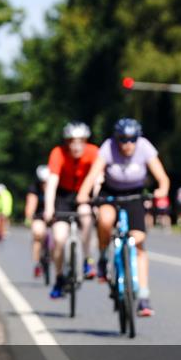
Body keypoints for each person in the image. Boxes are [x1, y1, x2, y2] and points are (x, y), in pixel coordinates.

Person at [75, 118, 170, 317]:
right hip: (110, 194)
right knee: (105, 220)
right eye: (123, 140)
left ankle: (143, 297)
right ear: (117, 139)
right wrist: (83, 195)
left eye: (132, 140)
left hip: (134, 195)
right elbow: (93, 175)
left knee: (138, 243)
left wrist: (161, 190)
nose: (128, 145)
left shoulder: (144, 147)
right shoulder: (108, 148)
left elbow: (163, 178)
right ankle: (102, 257)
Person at [43, 121, 99, 298]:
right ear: (66, 142)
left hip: (84, 194)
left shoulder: (93, 152)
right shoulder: (57, 153)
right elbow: (52, 183)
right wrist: (49, 208)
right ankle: (59, 278)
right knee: (59, 238)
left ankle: (88, 259)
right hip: (63, 196)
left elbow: (98, 179)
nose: (76, 146)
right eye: (72, 141)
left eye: (80, 141)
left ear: (85, 141)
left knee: (86, 217)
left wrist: (96, 201)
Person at [25, 165, 51, 278]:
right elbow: (31, 205)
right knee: (37, 233)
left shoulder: (57, 186)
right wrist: (29, 217)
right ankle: (37, 264)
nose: (45, 184)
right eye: (43, 182)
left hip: (55, 216)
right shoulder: (34, 188)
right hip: (39, 216)